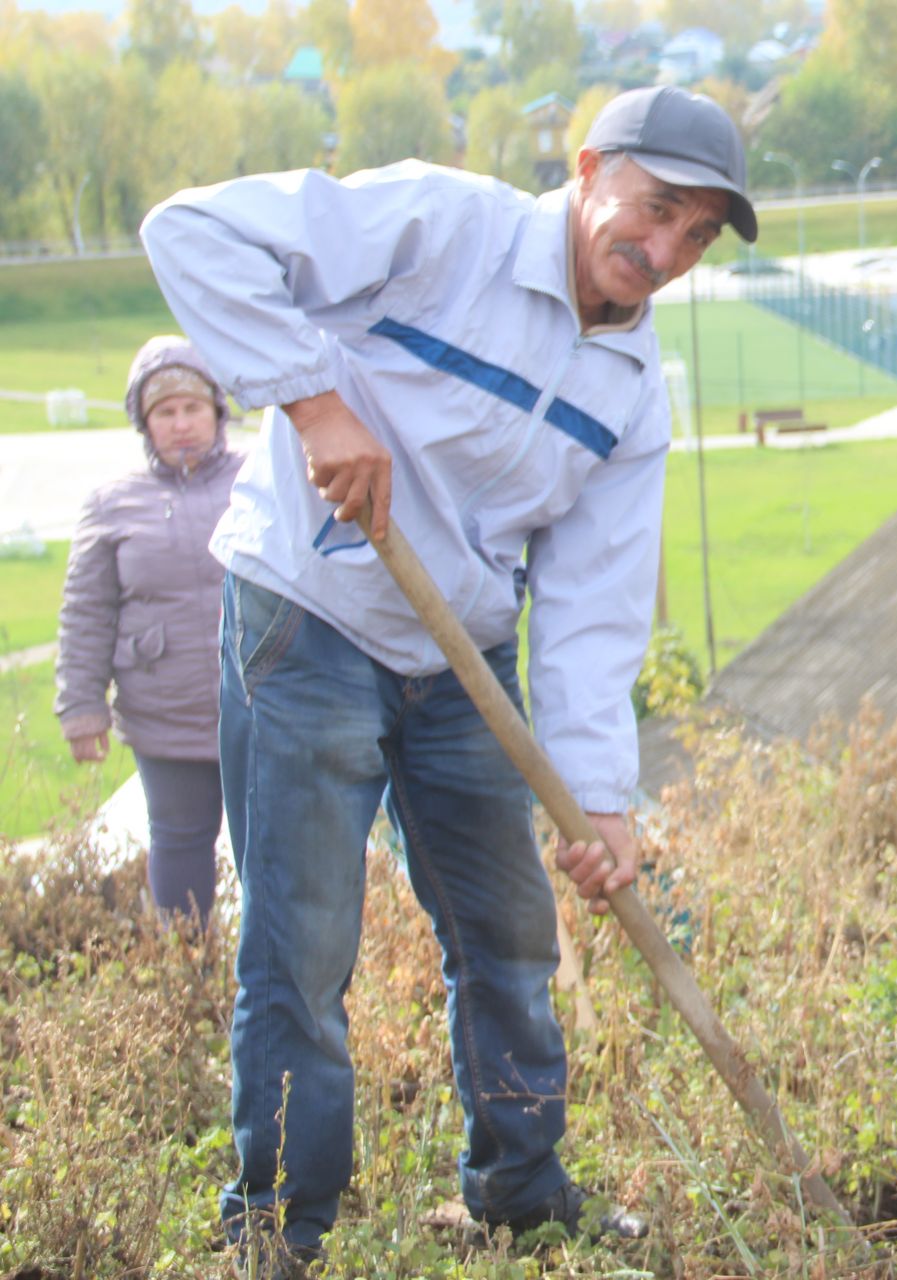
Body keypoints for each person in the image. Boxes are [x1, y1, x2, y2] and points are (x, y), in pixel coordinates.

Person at [139, 86, 756, 1274]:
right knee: (303, 944)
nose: (666, 251)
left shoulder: (629, 391)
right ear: (588, 168)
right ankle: (275, 1227)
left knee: (508, 931)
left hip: (459, 654)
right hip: (309, 617)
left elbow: (592, 602)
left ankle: (519, 1188)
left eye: (697, 237)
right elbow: (191, 232)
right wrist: (314, 402)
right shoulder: (442, 226)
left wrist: (601, 795)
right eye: (657, 209)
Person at [55, 336, 246, 927]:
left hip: (263, 705)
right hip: (164, 713)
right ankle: (187, 983)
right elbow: (87, 612)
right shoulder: (112, 504)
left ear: (218, 409)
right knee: (180, 847)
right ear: (144, 421)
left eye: (193, 408)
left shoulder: (261, 479)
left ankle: (270, 990)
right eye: (165, 412)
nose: (181, 424)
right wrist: (82, 711)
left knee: (272, 851)